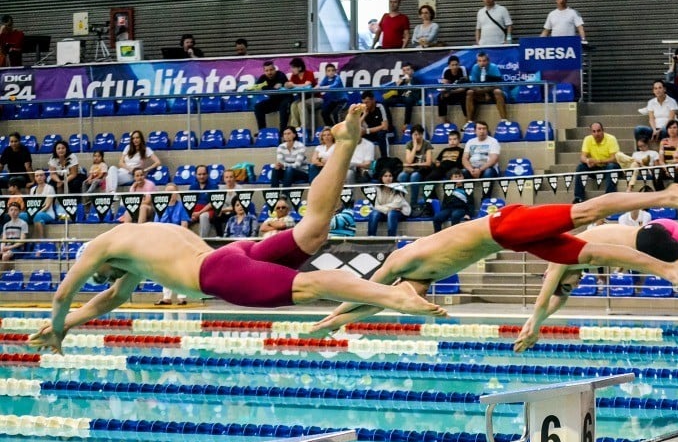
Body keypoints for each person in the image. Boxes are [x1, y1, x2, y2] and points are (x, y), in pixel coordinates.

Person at [27, 106, 446, 357]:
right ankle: (345, 144)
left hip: (218, 273)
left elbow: (67, 294)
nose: (115, 281)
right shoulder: (129, 248)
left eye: (108, 277)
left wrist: (60, 324)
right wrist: (75, 320)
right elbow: (110, 298)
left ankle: (396, 295)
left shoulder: (98, 251)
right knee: (313, 230)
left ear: (102, 267)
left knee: (310, 286)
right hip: (234, 251)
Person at [311, 186, 678, 335]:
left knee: (586, 213)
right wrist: (339, 323)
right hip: (512, 242)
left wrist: (331, 318)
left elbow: (367, 291)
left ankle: (664, 196)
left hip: (504, 225)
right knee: (588, 255)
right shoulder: (417, 285)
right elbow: (382, 301)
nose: (413, 298)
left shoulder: (400, 261)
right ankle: (666, 268)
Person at [515, 220, 678, 350]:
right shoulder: (575, 258)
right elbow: (559, 299)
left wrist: (533, 326)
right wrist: (536, 324)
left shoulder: (559, 258)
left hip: (648, 243)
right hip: (655, 227)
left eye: (571, 285)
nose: (580, 282)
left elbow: (545, 297)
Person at [154, 184, 191, 306]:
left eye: (172, 192)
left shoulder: (181, 207)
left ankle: (182, 297)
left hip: (177, 241)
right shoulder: (160, 207)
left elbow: (184, 225)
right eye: (167, 192)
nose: (170, 195)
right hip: (163, 242)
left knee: (180, 270)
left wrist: (180, 240)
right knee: (165, 271)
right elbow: (155, 227)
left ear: (177, 193)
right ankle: (167, 297)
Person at [575, 122, 619, 203]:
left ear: (603, 131)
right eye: (594, 131)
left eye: (599, 131)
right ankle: (578, 198)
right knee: (581, 167)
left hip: (608, 167)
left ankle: (609, 197)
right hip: (595, 168)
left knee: (612, 166)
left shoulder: (611, 139)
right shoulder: (587, 139)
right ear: (591, 132)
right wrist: (588, 161)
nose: (596, 134)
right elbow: (582, 157)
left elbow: (615, 158)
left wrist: (599, 161)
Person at [398, 124, 433, 207]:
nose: (417, 136)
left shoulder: (427, 144)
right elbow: (409, 161)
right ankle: (400, 201)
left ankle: (413, 203)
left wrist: (415, 164)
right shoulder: (409, 144)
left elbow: (428, 163)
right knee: (401, 176)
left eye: (419, 134)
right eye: (415, 134)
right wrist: (414, 147)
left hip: (422, 170)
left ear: (422, 134)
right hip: (411, 169)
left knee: (414, 176)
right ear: (412, 135)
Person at [466, 52, 507, 122]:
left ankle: (504, 120)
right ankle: (469, 121)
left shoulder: (493, 67)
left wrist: (486, 91)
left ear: (488, 61)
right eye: (479, 61)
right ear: (477, 61)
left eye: (484, 61)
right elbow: (473, 86)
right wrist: (484, 92)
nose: (482, 63)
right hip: (481, 92)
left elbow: (498, 85)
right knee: (469, 92)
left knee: (497, 92)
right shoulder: (475, 68)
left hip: (493, 92)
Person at [251, 61, 291, 132]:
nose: (269, 72)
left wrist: (264, 88)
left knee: (284, 107)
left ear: (275, 69)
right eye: (267, 70)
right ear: (264, 71)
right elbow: (255, 87)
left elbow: (276, 88)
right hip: (274, 101)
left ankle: (283, 132)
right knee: (258, 107)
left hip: (285, 99)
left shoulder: (280, 75)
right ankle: (262, 131)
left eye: (271, 70)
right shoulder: (263, 78)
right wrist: (257, 87)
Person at [368, 169, 411, 236]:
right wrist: (387, 209)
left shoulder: (398, 188)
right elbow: (374, 205)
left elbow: (397, 204)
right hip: (383, 212)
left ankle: (391, 238)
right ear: (381, 178)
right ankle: (371, 237)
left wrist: (381, 208)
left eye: (390, 176)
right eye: (385, 176)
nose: (388, 178)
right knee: (374, 214)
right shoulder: (376, 189)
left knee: (391, 213)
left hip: (400, 212)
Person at [271, 127, 309, 193]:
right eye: (285, 134)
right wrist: (279, 165)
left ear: (294, 135)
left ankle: (284, 195)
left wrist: (283, 165)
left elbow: (297, 165)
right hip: (287, 172)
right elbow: (280, 161)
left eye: (289, 133)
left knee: (289, 170)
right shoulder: (281, 147)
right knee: (275, 169)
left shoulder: (300, 146)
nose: (286, 136)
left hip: (301, 172)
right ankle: (274, 194)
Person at [384, 63, 421, 132]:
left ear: (412, 71)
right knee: (385, 102)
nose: (406, 72)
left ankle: (406, 124)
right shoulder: (401, 81)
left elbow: (418, 93)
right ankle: (389, 125)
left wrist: (410, 82)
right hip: (401, 98)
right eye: (404, 70)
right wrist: (397, 86)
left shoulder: (416, 81)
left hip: (410, 98)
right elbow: (396, 93)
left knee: (408, 100)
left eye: (408, 70)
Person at [461, 120, 500, 185]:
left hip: (488, 168)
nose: (482, 131)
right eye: (479, 129)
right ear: (475, 131)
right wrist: (471, 170)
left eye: (484, 129)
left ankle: (486, 195)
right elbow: (464, 159)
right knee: (463, 172)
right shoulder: (470, 142)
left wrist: (480, 170)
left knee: (488, 172)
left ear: (487, 130)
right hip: (473, 168)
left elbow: (494, 159)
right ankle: (469, 194)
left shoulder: (493, 141)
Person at [286, 57, 319, 130]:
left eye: (293, 67)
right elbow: (290, 85)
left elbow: (307, 85)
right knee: (293, 105)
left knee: (301, 104)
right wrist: (287, 85)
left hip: (315, 98)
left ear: (300, 68)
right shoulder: (293, 76)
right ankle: (294, 128)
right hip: (303, 98)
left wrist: (294, 85)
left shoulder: (309, 73)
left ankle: (304, 128)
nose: (292, 70)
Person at [188, 165, 219, 237]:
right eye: (199, 174)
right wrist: (191, 213)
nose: (201, 176)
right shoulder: (192, 187)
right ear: (195, 175)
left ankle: (203, 240)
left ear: (208, 174)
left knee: (203, 216)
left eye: (204, 174)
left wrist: (199, 213)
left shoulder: (214, 186)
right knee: (183, 216)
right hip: (195, 210)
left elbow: (213, 203)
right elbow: (189, 202)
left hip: (208, 210)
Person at [438, 56, 469, 124]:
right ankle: (444, 121)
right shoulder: (446, 70)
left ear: (459, 64)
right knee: (440, 97)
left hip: (460, 92)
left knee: (464, 96)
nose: (455, 67)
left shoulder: (462, 69)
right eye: (452, 65)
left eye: (456, 64)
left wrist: (451, 92)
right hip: (451, 93)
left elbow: (464, 87)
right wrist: (444, 93)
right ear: (449, 65)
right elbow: (444, 85)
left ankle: (467, 119)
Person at [28, 170, 58, 237]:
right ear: (35, 178)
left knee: (37, 216)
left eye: (41, 175)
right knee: (22, 216)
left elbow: (47, 206)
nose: (39, 177)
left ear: (44, 177)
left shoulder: (50, 188)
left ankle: (40, 240)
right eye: (37, 176)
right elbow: (31, 204)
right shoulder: (32, 189)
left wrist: (34, 214)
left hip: (48, 213)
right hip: (34, 213)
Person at [316, 63, 347, 127]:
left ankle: (339, 129)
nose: (331, 72)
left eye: (333, 70)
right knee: (324, 112)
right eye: (329, 71)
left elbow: (333, 86)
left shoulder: (338, 78)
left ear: (335, 71)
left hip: (342, 100)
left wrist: (321, 87)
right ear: (326, 72)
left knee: (335, 113)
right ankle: (331, 127)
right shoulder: (326, 78)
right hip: (334, 101)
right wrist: (316, 87)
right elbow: (320, 85)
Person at [1, 201, 29, 267]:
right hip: (7, 247)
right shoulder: (6, 225)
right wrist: (2, 248)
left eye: (16, 210)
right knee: (3, 253)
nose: (13, 212)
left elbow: (22, 241)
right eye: (11, 210)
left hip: (17, 249)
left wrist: (9, 247)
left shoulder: (23, 224)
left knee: (5, 256)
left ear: (19, 211)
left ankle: (4, 275)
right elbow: (3, 240)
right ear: (8, 212)